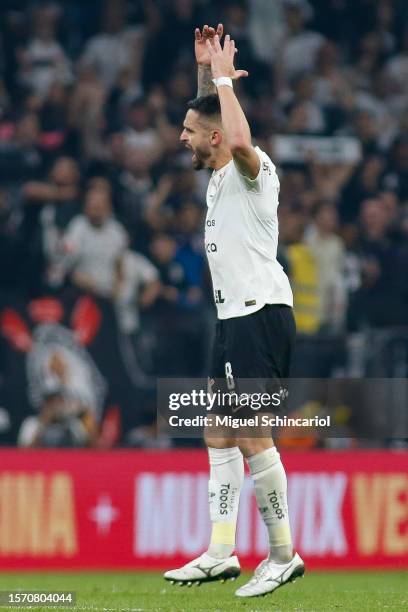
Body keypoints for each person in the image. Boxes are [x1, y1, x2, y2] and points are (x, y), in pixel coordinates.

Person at [164, 24, 304, 599]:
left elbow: (237, 138)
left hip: (259, 315)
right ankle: (222, 551)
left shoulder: (252, 169)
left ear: (216, 138)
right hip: (233, 318)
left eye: (190, 132)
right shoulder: (220, 172)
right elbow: (216, 124)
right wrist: (206, 75)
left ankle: (282, 554)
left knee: (250, 432)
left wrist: (224, 78)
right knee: (218, 431)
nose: (181, 138)